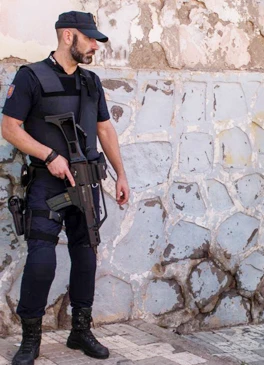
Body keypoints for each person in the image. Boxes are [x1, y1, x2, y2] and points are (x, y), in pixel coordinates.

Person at [1, 11, 129, 365]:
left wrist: (120, 174)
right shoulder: (31, 77)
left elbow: (105, 129)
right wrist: (49, 155)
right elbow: (10, 128)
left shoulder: (91, 82)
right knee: (42, 259)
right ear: (67, 35)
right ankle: (30, 340)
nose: (95, 46)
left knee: (86, 254)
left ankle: (80, 331)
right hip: (47, 179)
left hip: (87, 179)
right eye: (89, 39)